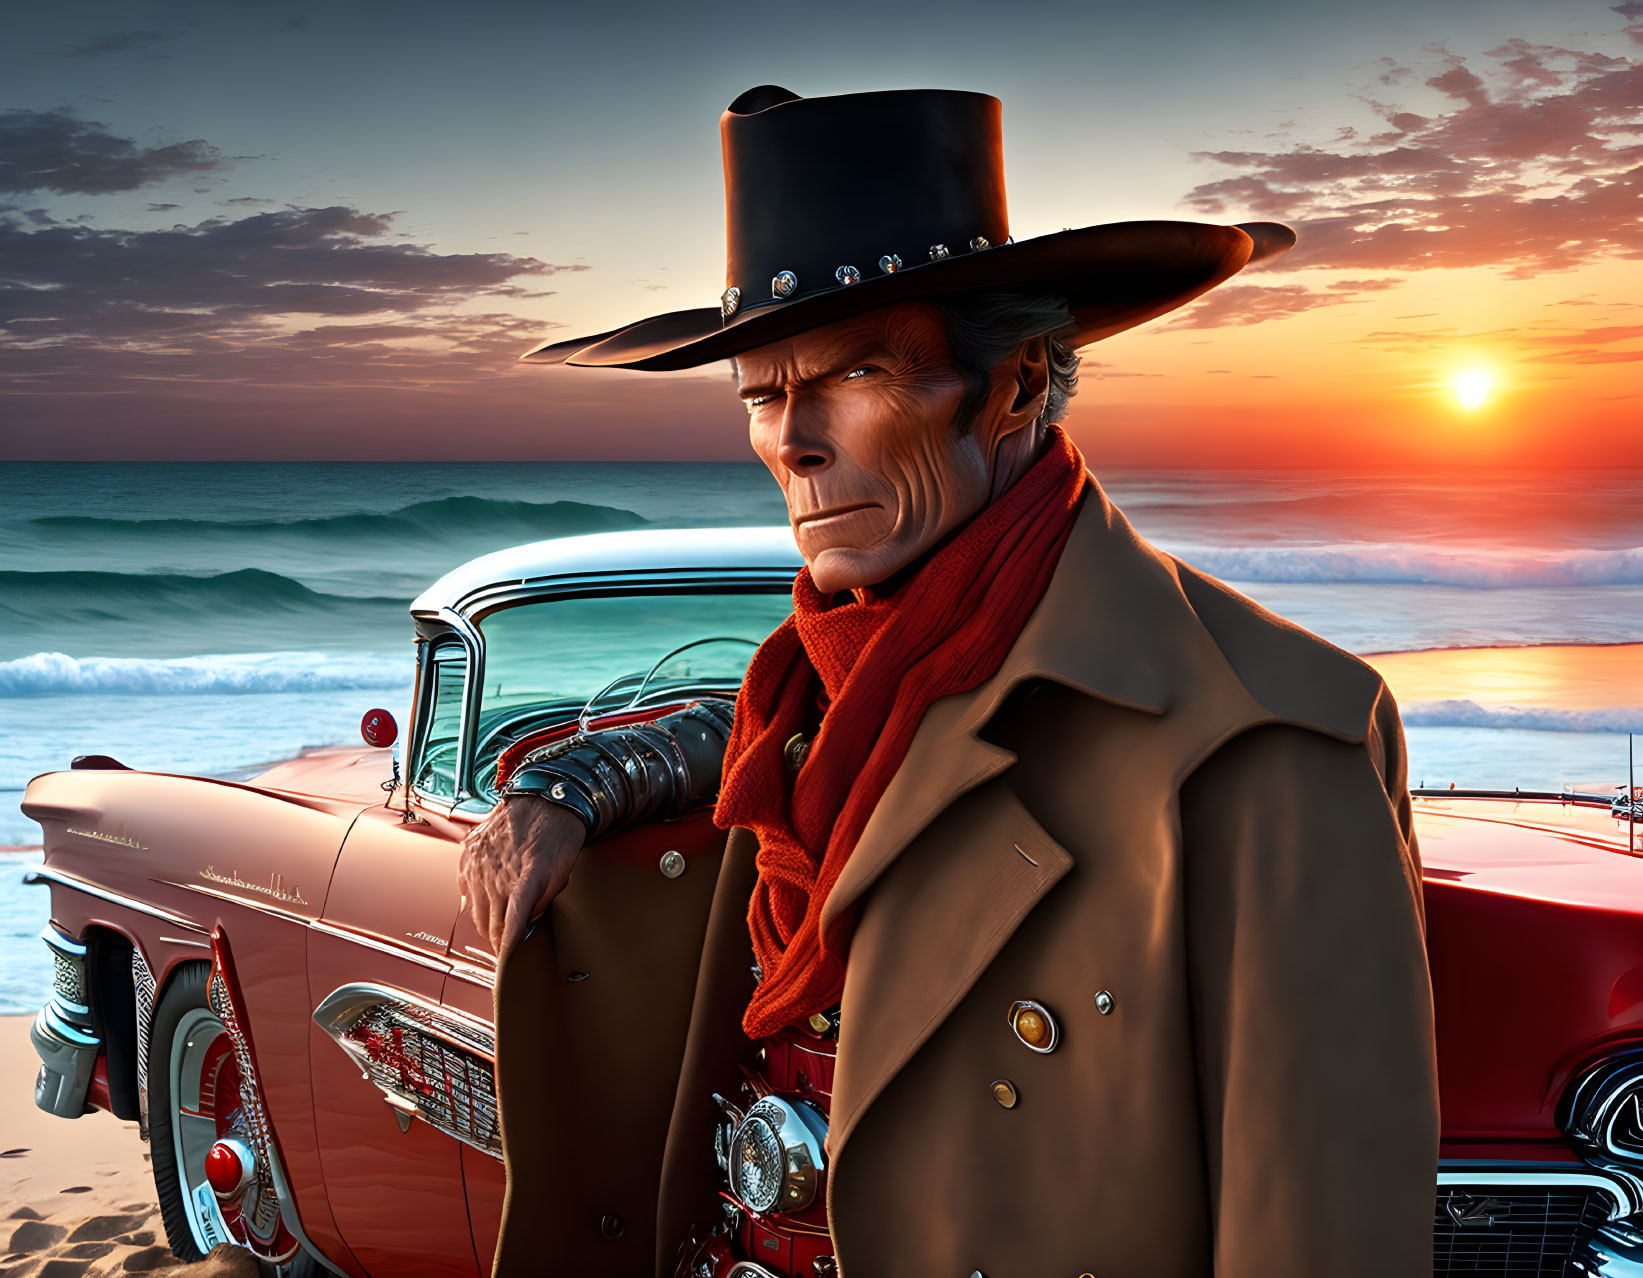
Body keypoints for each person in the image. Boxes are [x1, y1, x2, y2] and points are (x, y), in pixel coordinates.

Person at [460, 84, 1439, 1278]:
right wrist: (581, 777)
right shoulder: (811, 696)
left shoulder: (1266, 740)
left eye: (855, 373)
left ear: (1019, 383)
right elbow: (832, 739)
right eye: (761, 393)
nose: (792, 440)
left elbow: (1320, 1244)